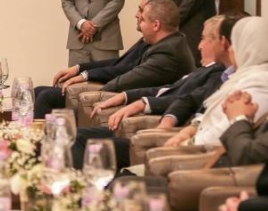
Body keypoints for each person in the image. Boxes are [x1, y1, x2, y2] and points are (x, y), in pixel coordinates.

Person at [71, 14, 242, 170]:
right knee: (79, 136)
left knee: (84, 141)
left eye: (205, 38)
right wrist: (127, 97)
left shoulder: (218, 73)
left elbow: (187, 99)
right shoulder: (212, 69)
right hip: (170, 131)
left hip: (180, 139)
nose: (199, 45)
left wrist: (143, 105)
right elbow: (173, 91)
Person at [33, 0, 195, 118]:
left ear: (156, 24)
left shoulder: (167, 51)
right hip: (124, 99)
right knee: (39, 92)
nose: (137, 17)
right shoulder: (163, 43)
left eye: (142, 16)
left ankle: (34, 148)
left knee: (47, 98)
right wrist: (80, 70)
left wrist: (93, 92)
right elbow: (120, 64)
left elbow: (128, 78)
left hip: (134, 106)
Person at [161, 17, 268, 148]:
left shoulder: (259, 84)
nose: (230, 50)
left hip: (206, 152)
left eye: (235, 44)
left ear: (248, 49)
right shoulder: (243, 77)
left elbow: (223, 131)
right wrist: (190, 130)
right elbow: (215, 114)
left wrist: (185, 144)